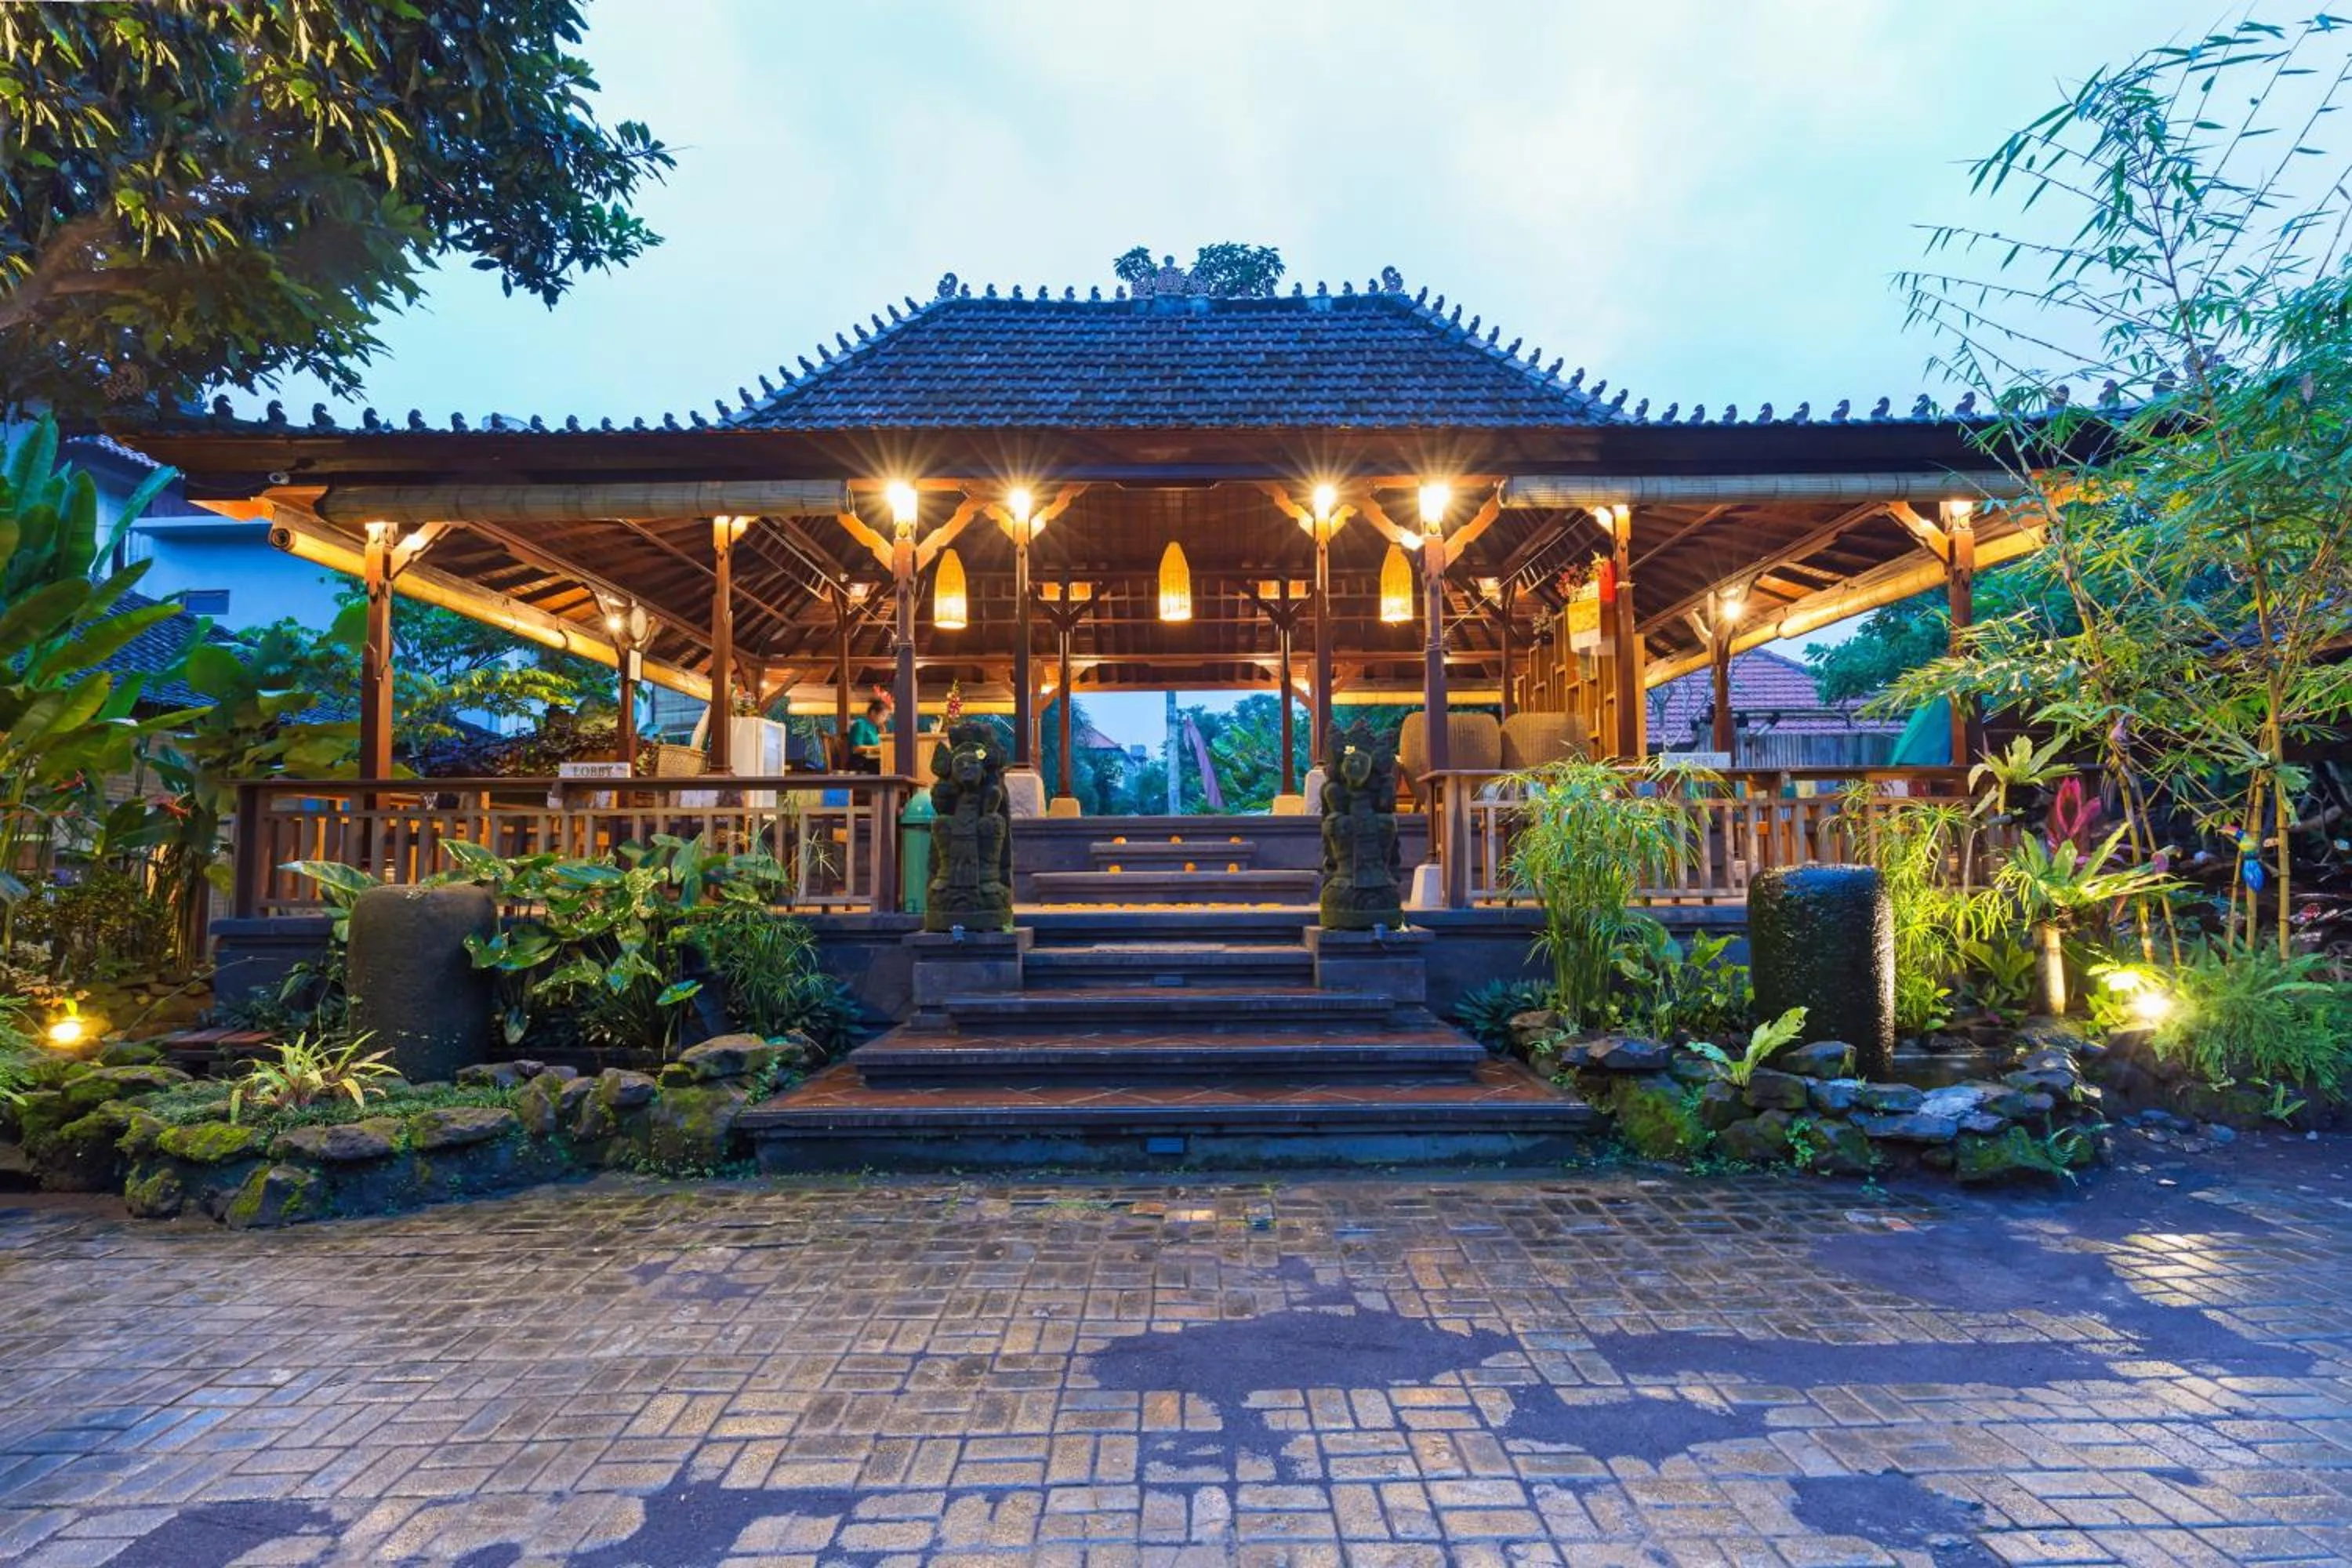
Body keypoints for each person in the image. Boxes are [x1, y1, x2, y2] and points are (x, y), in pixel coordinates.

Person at [846, 698, 887, 772]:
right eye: (883, 715)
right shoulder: (860, 724)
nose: (885, 719)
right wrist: (876, 748)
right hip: (860, 763)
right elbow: (856, 749)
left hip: (871, 762)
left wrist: (883, 735)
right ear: (873, 713)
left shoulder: (875, 728)